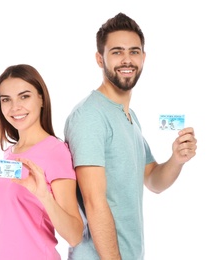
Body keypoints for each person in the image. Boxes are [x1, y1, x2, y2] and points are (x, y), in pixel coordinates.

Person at [64, 13, 197, 260]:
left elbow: (153, 181)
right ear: (99, 59)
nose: (127, 59)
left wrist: (177, 159)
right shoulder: (90, 116)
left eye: (134, 52)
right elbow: (94, 203)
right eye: (116, 52)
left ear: (143, 58)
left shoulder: (130, 117)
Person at [0, 64, 84, 260]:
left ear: (41, 98)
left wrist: (44, 196)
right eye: (6, 99)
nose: (15, 107)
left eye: (24, 96)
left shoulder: (55, 151)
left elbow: (74, 235)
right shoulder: (8, 154)